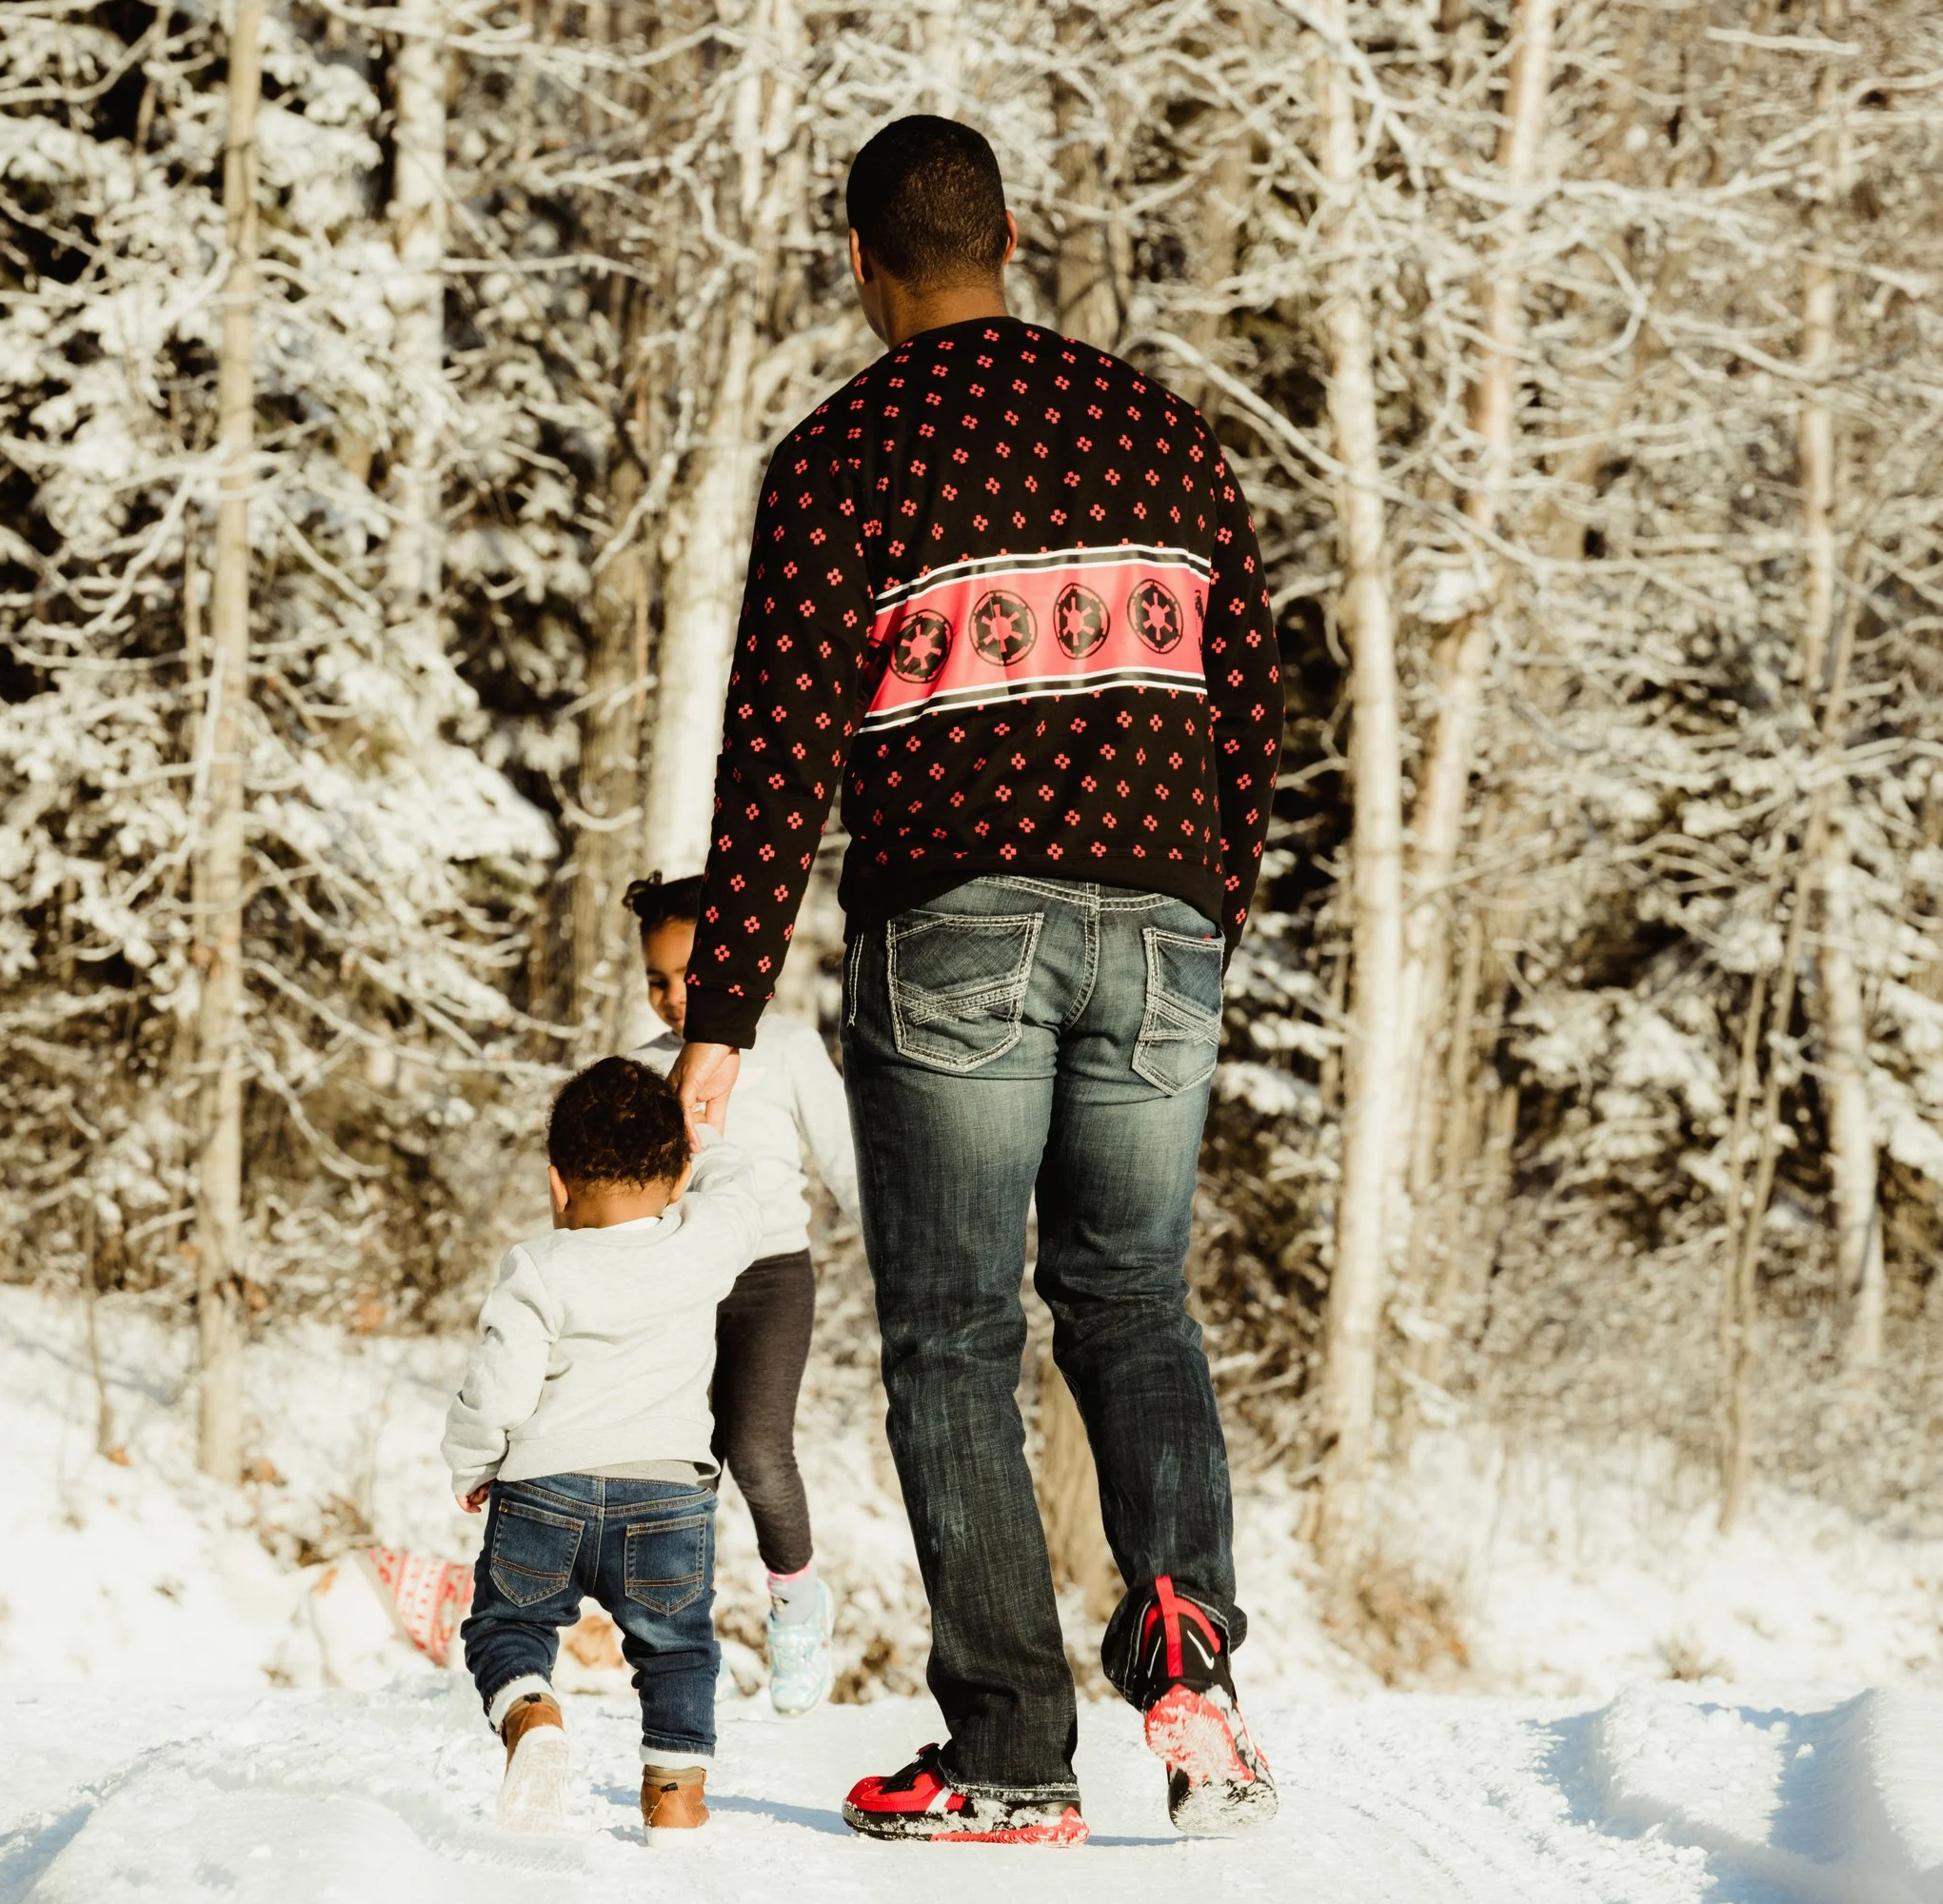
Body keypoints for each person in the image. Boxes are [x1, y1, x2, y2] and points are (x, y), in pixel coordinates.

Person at [666, 115, 1286, 1844]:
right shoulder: (1169, 439)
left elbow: (776, 753)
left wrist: (721, 1013)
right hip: (1163, 925)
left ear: (858, 261)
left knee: (955, 1336)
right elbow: (1255, 712)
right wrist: (1201, 911)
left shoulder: (847, 451)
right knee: (1136, 1306)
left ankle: (1012, 1752)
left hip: (955, 925)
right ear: (1013, 235)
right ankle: (1190, 1670)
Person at [442, 1057, 763, 1840]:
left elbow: (500, 1382)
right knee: (677, 1646)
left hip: (546, 1484)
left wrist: (474, 1461)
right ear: (679, 1174)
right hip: (667, 1490)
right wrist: (705, 1138)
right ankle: (676, 1795)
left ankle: (532, 1713)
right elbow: (746, 1200)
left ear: (559, 1183)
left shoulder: (539, 1265)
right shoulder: (701, 1244)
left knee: (506, 1625)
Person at [623, 870, 858, 1716]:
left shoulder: (788, 1049)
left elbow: (845, 1163)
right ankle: (679, 1641)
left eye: (692, 976)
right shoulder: (636, 1071)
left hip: (769, 1279)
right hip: (678, 1287)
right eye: (656, 979)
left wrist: (908, 1268)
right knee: (684, 1467)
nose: (674, 997)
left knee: (756, 1452)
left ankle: (797, 1609)